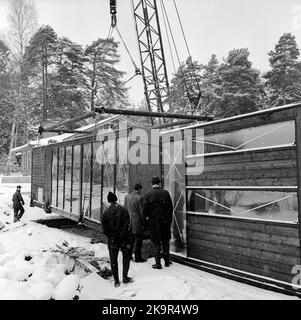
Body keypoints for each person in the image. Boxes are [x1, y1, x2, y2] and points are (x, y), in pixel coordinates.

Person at [101, 191, 133, 287]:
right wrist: (121, 235)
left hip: (112, 240)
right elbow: (127, 225)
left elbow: (104, 228)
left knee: (113, 260)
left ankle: (116, 281)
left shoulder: (105, 212)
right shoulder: (123, 210)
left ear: (109, 201)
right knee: (126, 258)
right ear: (116, 199)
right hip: (124, 239)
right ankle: (125, 277)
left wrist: (111, 236)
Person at [142, 176, 173, 269]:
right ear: (159, 183)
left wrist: (147, 224)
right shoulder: (166, 193)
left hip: (154, 224)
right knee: (165, 242)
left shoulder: (147, 194)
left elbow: (144, 212)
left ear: (152, 183)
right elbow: (170, 209)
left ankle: (158, 263)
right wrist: (168, 221)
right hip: (165, 223)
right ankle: (167, 261)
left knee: (156, 243)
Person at [124, 183, 147, 263]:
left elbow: (125, 209)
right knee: (138, 241)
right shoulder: (139, 198)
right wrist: (144, 222)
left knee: (130, 240)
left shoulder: (127, 197)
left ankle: (129, 256)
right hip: (137, 222)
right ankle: (137, 258)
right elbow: (142, 212)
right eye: (141, 189)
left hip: (129, 222)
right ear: (139, 189)